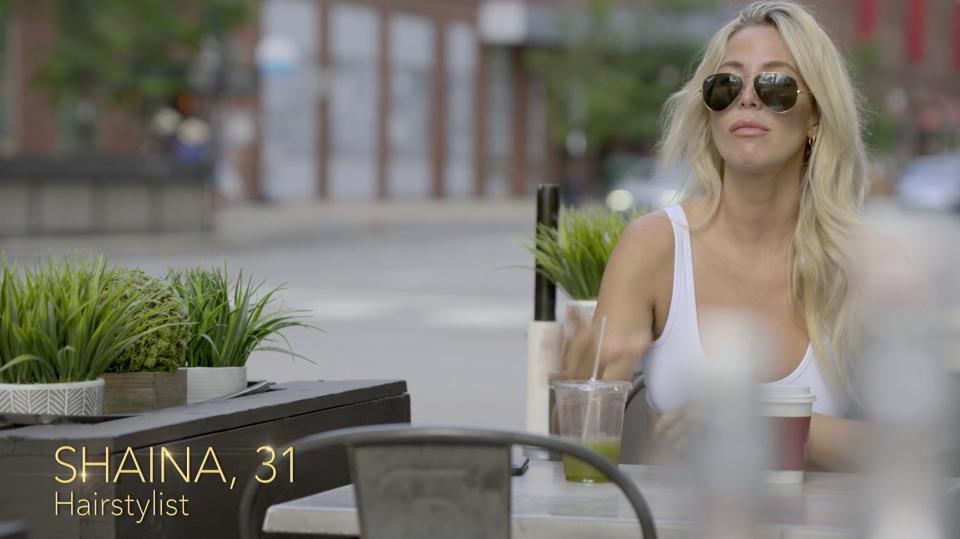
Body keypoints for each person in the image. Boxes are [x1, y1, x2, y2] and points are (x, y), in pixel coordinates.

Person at [563, 1, 868, 471]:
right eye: (726, 85)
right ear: (708, 112)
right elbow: (578, 455)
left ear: (815, 117)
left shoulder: (860, 262)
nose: (746, 99)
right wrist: (577, 391)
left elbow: (916, 447)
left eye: (776, 85)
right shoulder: (655, 246)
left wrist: (764, 423)